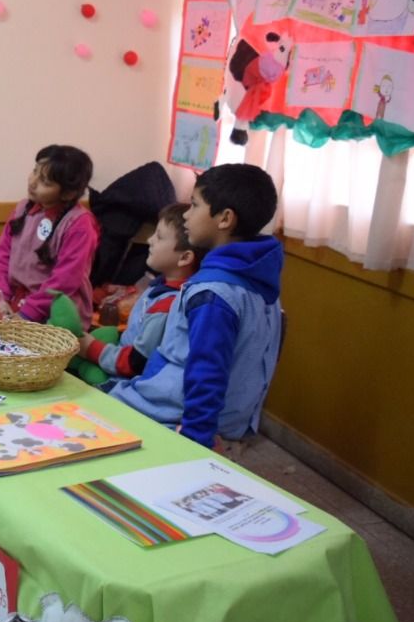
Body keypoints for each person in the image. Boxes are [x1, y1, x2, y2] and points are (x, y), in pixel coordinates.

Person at [108, 164, 283, 448]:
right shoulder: (256, 277)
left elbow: (207, 372)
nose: (186, 215)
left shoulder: (213, 295)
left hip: (171, 412)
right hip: (227, 416)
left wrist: (195, 440)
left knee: (87, 410)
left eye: (194, 205)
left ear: (225, 218)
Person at [78, 203, 205, 380]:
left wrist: (91, 348)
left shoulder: (168, 304)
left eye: (159, 237)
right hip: (118, 364)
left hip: (125, 378)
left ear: (185, 258)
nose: (150, 240)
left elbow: (135, 363)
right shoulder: (159, 287)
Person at [0, 145, 98, 324]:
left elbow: (65, 280)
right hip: (16, 304)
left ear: (68, 193)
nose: (32, 182)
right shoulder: (22, 209)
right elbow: (1, 257)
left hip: (56, 313)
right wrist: (0, 297)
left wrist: (28, 314)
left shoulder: (79, 224)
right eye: (34, 172)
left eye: (45, 182)